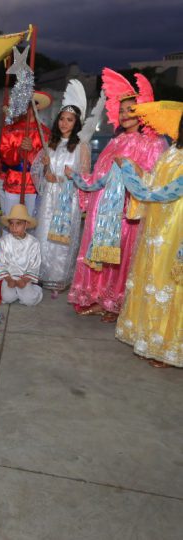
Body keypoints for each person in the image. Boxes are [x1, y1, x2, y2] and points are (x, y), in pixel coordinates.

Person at [65, 69, 168, 322]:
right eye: (121, 110)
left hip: (127, 209)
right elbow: (99, 174)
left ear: (143, 112)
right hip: (103, 209)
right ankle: (99, 298)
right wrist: (78, 177)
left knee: (122, 255)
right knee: (100, 255)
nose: (124, 115)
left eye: (130, 110)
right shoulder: (116, 141)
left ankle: (117, 303)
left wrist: (131, 167)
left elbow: (155, 179)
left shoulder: (152, 143)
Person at [114, 102, 183, 367]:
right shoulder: (172, 151)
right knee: (152, 275)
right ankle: (148, 338)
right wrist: (135, 167)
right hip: (156, 224)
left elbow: (162, 193)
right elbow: (153, 181)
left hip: (175, 226)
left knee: (169, 280)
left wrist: (128, 172)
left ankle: (167, 346)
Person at [31, 80, 91, 295]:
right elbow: (39, 173)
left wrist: (64, 178)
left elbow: (84, 178)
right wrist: (45, 168)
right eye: (62, 119)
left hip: (67, 199)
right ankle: (41, 274)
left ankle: (58, 279)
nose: (65, 123)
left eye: (70, 120)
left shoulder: (81, 147)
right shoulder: (51, 144)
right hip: (49, 198)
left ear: (77, 123)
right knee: (44, 233)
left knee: (62, 241)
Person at [0, 91, 52, 217]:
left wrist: (32, 151)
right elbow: (4, 153)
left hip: (34, 183)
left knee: (32, 219)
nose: (28, 109)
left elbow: (48, 158)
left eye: (32, 105)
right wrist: (19, 151)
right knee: (11, 218)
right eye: (25, 105)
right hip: (14, 181)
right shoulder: (10, 130)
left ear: (37, 107)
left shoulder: (45, 132)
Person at [0, 204, 43, 306]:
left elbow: (34, 266)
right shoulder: (3, 242)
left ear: (26, 225)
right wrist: (8, 279)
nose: (14, 227)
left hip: (24, 277)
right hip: (9, 276)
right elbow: (0, 264)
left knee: (29, 301)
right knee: (7, 298)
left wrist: (24, 280)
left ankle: (36, 288)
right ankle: (18, 293)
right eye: (11, 224)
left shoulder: (33, 243)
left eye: (18, 224)